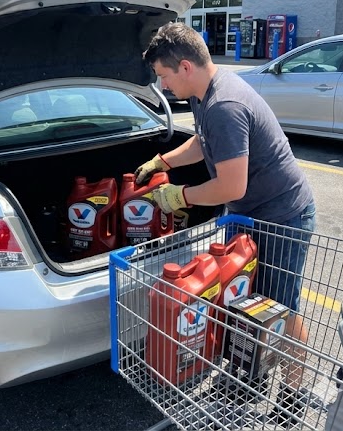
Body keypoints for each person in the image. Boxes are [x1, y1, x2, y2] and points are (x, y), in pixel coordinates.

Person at [134, 22, 316, 424]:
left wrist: (179, 195)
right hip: (247, 214)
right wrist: (163, 161)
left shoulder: (224, 106)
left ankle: (294, 393)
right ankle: (244, 375)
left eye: (163, 76)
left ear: (184, 66)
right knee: (240, 299)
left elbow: (232, 182)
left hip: (282, 215)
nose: (162, 87)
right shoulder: (206, 94)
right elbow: (202, 143)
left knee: (280, 306)